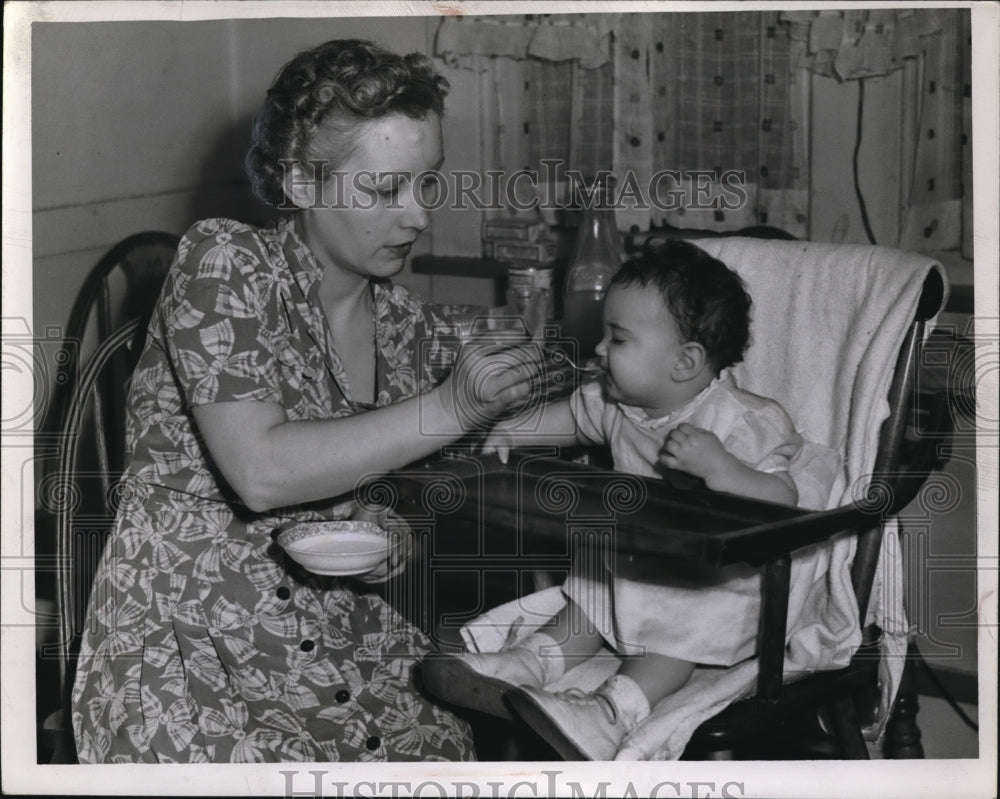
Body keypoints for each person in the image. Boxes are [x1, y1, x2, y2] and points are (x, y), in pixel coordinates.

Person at [71, 39, 540, 763]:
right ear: (301, 180)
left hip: (329, 628)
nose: (417, 216)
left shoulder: (408, 327)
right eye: (385, 191)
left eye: (427, 184)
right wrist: (451, 407)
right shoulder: (226, 265)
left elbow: (387, 487)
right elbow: (262, 472)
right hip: (187, 643)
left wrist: (385, 531)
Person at [431, 241, 805, 760]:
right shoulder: (617, 403)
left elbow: (785, 501)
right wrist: (511, 432)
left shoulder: (738, 422)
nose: (600, 350)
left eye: (619, 338)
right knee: (590, 595)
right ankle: (530, 663)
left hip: (719, 585)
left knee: (672, 630)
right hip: (644, 557)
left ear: (685, 362)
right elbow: (566, 419)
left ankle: (611, 712)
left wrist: (724, 469)